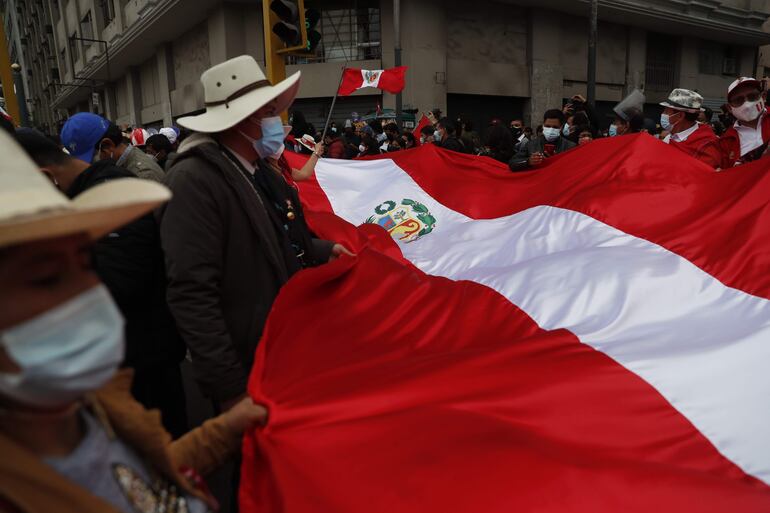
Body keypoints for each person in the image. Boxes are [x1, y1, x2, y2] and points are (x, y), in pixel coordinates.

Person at [0, 129, 266, 513]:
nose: (88, 291)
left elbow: (141, 476)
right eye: (46, 277)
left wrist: (225, 431)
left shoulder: (92, 404)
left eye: (86, 262)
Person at [157, 55, 353, 409]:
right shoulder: (194, 182)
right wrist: (231, 391)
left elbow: (278, 238)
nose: (277, 122)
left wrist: (324, 251)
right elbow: (192, 293)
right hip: (247, 370)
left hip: (277, 353)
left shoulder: (253, 170)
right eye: (270, 111)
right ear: (246, 119)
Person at [14, 128, 189, 438]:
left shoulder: (109, 201)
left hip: (142, 371)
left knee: (164, 468)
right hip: (120, 368)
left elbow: (116, 286)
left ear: (45, 177)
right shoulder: (83, 200)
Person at [61, 113, 165, 182]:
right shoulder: (120, 169)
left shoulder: (143, 176)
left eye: (91, 160)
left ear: (107, 146)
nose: (89, 166)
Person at [658, 88, 721, 169]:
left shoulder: (706, 146)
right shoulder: (669, 137)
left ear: (680, 116)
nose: (663, 114)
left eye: (666, 112)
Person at [719, 77, 770, 168]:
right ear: (729, 108)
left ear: (763, 96)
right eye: (738, 100)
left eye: (752, 97)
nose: (747, 104)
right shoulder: (726, 142)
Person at [509, 109, 576, 171]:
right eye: (548, 126)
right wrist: (528, 161)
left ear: (561, 127)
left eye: (555, 127)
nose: (551, 130)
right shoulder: (531, 145)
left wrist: (556, 161)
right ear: (543, 125)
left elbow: (575, 169)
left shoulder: (570, 147)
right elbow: (512, 163)